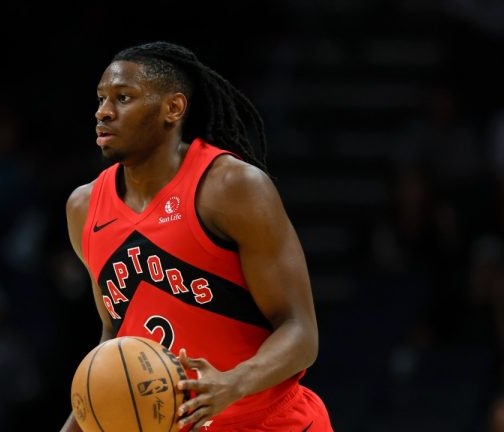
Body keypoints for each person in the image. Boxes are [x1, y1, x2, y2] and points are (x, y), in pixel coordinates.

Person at [61, 41, 332, 432]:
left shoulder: (230, 187)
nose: (104, 112)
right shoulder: (83, 208)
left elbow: (301, 333)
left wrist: (231, 384)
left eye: (123, 98)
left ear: (173, 108)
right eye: (102, 98)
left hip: (271, 422)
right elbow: (117, 335)